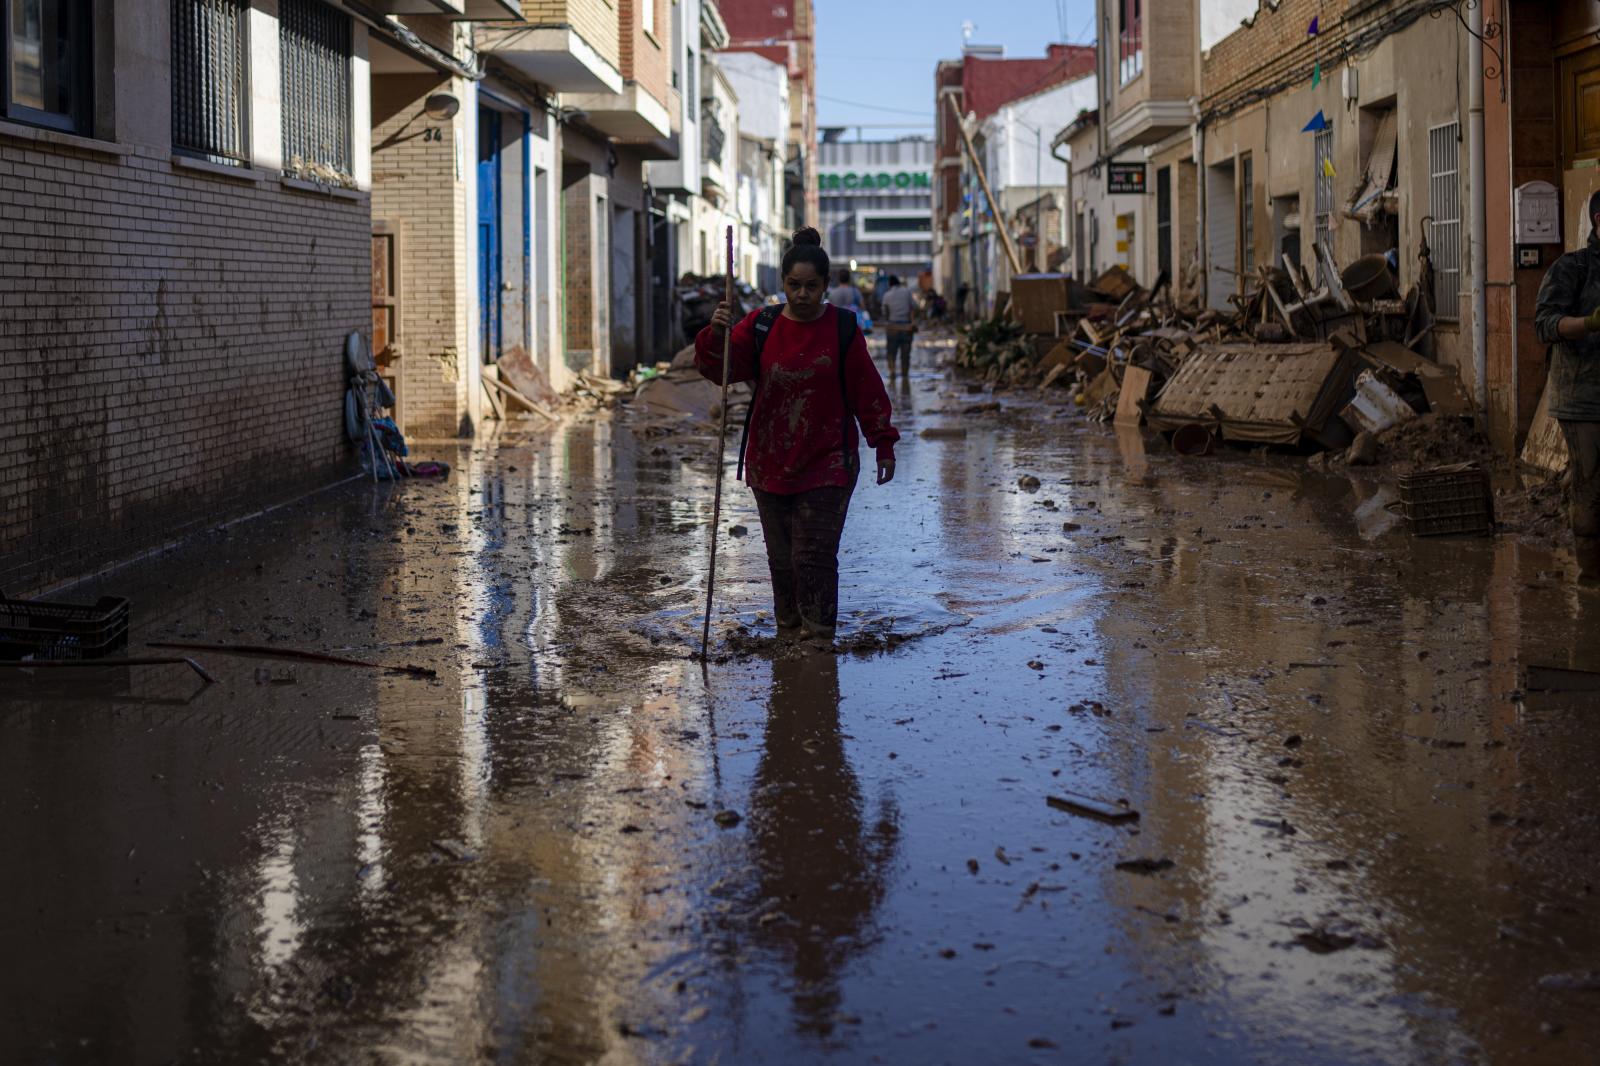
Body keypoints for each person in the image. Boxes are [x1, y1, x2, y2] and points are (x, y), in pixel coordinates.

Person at [698, 228, 899, 643]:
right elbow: (723, 369)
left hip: (829, 461)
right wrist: (716, 334)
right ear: (783, 284)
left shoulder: (843, 329)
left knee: (815, 557)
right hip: (770, 460)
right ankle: (788, 633)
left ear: (826, 286)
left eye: (811, 286)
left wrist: (883, 443)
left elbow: (867, 389)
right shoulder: (762, 325)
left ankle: (820, 638)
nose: (803, 294)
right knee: (782, 560)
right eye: (794, 285)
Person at [1536, 188, 1600, 580]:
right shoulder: (1571, 268)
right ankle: (1591, 579)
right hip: (1583, 400)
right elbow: (1544, 326)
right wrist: (1590, 323)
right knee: (1591, 490)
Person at [881, 274, 917, 380]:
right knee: (905, 354)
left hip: (892, 327)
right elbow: (914, 307)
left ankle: (892, 372)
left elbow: (884, 312)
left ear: (890, 284)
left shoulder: (887, 295)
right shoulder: (907, 292)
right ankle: (905, 375)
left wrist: (889, 319)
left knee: (891, 352)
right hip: (906, 327)